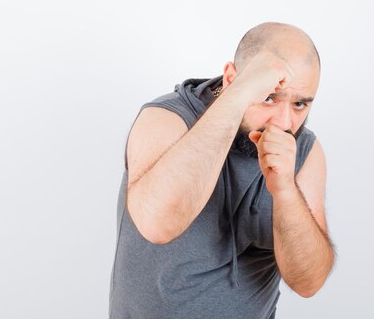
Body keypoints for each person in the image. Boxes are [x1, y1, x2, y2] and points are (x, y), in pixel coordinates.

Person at [109, 22, 336, 318]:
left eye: (299, 104)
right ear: (231, 79)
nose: (283, 122)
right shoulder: (168, 118)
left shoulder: (304, 152)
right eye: (269, 97)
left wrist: (285, 192)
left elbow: (308, 282)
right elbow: (157, 224)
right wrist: (240, 94)